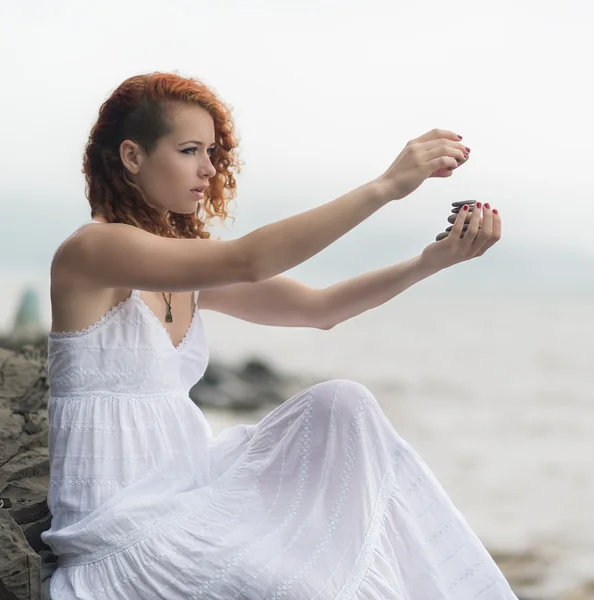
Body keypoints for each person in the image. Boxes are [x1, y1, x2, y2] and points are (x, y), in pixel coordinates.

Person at [40, 71, 515, 599]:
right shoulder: (92, 252)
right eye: (189, 150)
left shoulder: (185, 276)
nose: (207, 169)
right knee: (305, 587)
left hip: (190, 494)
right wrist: (385, 188)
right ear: (132, 156)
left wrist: (432, 261)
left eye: (213, 152)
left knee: (343, 405)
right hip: (121, 540)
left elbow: (321, 308)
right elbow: (249, 259)